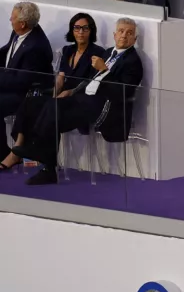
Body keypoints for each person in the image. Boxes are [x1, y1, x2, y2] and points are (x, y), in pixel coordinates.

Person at [13, 18, 143, 185]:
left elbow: (122, 93)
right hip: (83, 100)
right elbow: (89, 80)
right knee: (33, 102)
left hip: (105, 108)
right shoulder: (108, 51)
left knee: (53, 108)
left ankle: (41, 157)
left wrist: (104, 70)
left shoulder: (133, 62)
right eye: (121, 31)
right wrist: (71, 91)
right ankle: (42, 161)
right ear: (114, 34)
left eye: (130, 33)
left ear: (135, 39)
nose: (124, 35)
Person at [0, 13, 104, 171]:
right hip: (61, 98)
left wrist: (70, 92)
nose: (81, 32)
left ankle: (39, 154)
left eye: (85, 28)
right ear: (72, 30)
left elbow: (90, 82)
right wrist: (55, 92)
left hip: (78, 100)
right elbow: (61, 76)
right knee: (30, 103)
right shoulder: (68, 50)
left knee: (50, 110)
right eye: (77, 28)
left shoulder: (97, 52)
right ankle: (17, 149)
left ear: (91, 31)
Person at [0, 2, 54, 161]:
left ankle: (3, 154)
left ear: (23, 23)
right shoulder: (20, 31)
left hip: (28, 95)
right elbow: (7, 51)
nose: (10, 19)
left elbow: (21, 81)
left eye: (13, 17)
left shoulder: (36, 47)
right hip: (11, 86)